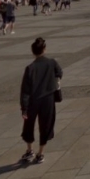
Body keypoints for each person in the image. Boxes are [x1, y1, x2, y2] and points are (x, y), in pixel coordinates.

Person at [20, 37, 63, 165]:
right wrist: (53, 81)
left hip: (33, 101)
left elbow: (25, 90)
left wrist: (24, 108)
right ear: (44, 49)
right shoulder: (52, 62)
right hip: (48, 100)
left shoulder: (30, 68)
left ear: (33, 52)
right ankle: (41, 153)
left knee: (28, 126)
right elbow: (59, 72)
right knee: (45, 126)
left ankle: (29, 150)